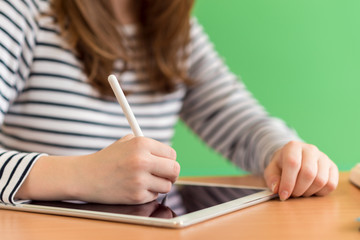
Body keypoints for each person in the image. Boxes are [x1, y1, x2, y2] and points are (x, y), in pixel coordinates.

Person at [0, 0, 338, 205]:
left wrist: (283, 153)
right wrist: (82, 175)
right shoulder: (23, 14)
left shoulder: (178, 34)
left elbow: (243, 126)